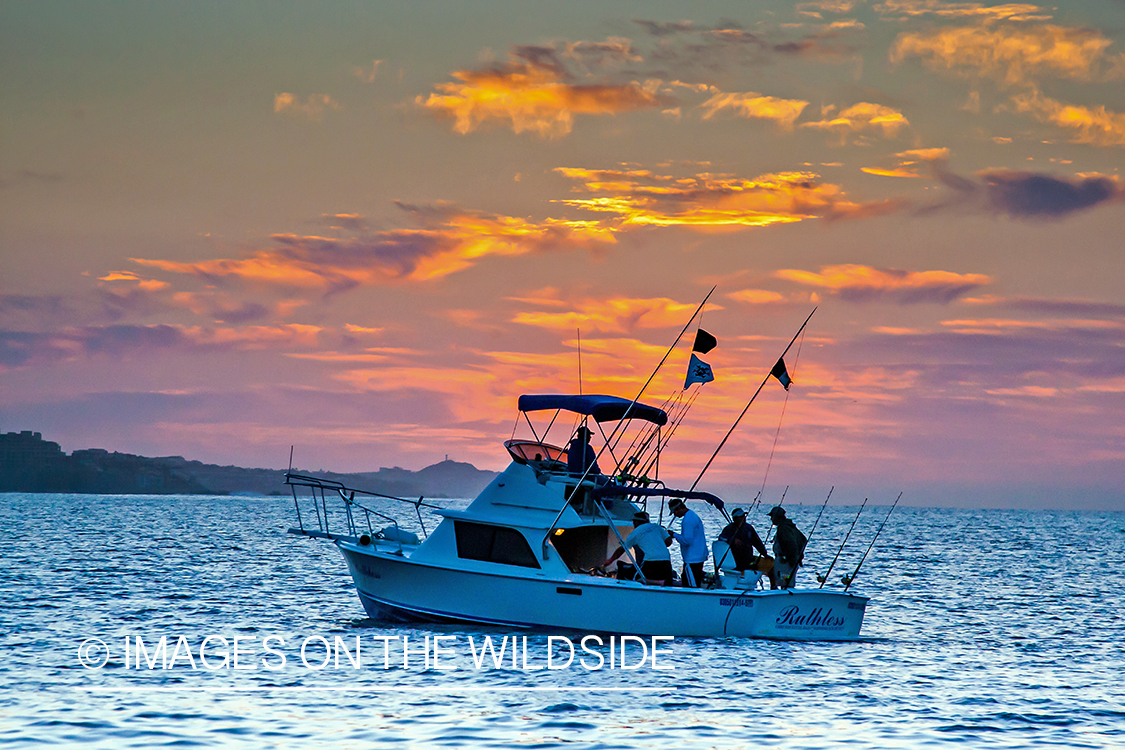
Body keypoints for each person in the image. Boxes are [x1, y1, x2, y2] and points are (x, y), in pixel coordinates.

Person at [602, 511, 674, 586]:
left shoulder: (635, 533)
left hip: (651, 561)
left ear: (636, 522)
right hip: (666, 560)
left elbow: (622, 549)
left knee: (637, 578)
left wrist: (609, 561)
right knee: (668, 584)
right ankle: (662, 583)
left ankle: (655, 582)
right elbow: (669, 541)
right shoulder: (656, 527)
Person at [668, 497, 707, 587]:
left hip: (692, 559)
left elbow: (686, 541)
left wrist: (673, 534)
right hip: (697, 557)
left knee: (690, 585)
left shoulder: (688, 520)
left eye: (674, 512)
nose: (675, 515)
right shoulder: (692, 516)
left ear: (678, 509)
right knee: (693, 581)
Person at [768, 506, 807, 589]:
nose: (771, 519)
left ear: (777, 517)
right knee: (786, 582)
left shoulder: (783, 528)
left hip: (785, 563)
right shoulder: (790, 527)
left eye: (772, 517)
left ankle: (785, 599)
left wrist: (787, 558)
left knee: (786, 583)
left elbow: (791, 545)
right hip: (789, 561)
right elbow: (803, 540)